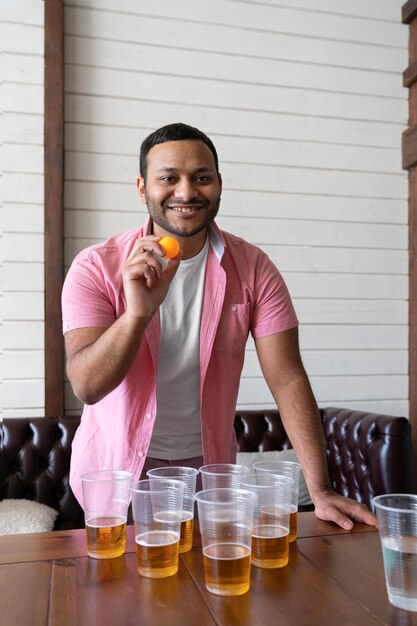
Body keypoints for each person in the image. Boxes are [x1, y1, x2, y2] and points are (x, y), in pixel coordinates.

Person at [62, 122, 376, 529]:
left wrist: (320, 490)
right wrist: (138, 314)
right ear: (142, 188)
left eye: (201, 178)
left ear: (219, 184)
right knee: (121, 591)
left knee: (211, 590)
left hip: (208, 472)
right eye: (168, 178)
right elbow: (87, 386)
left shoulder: (254, 268)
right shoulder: (95, 266)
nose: (187, 192)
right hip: (115, 470)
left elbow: (287, 379)